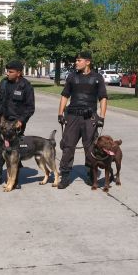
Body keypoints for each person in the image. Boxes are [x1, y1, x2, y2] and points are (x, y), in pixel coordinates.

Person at [57, 51, 108, 189]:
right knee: (68, 147)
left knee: (91, 148)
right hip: (72, 116)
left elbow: (103, 98)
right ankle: (65, 176)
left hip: (89, 118)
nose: (76, 62)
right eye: (76, 60)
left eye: (79, 60)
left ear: (88, 62)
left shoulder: (97, 78)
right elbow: (64, 95)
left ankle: (91, 174)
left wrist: (102, 117)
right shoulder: (72, 77)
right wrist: (60, 113)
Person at [0, 60, 36, 188]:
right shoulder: (3, 83)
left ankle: (15, 180)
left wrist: (22, 120)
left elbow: (30, 107)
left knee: (15, 151)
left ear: (19, 73)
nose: (7, 73)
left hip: (17, 124)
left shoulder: (26, 86)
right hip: (3, 123)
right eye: (7, 71)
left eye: (10, 71)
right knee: (0, 149)